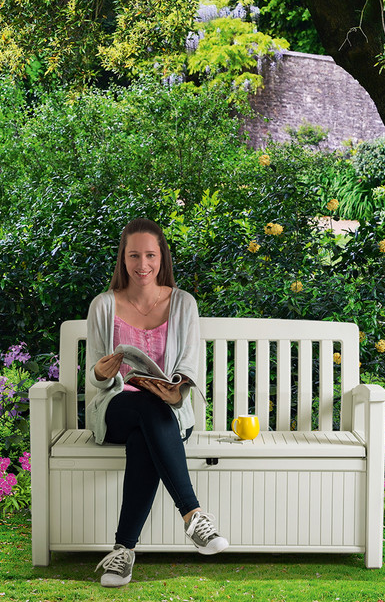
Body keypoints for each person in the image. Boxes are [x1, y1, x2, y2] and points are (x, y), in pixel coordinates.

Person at [85, 217, 228, 588]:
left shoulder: (183, 303)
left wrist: (177, 388)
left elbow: (189, 364)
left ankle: (122, 553)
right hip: (115, 408)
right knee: (147, 409)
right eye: (134, 255)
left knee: (145, 434)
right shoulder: (103, 305)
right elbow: (95, 376)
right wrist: (102, 371)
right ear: (123, 258)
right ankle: (193, 515)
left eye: (150, 255)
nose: (143, 264)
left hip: (169, 410)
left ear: (162, 257)